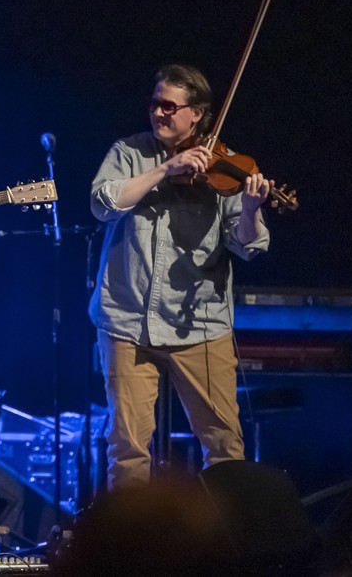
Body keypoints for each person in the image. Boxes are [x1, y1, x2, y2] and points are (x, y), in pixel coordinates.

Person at [88, 64, 272, 490]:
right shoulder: (129, 152)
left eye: (170, 107)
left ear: (197, 114)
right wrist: (164, 170)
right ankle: (130, 533)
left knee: (224, 445)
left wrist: (250, 210)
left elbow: (247, 246)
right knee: (127, 449)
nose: (159, 113)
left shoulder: (225, 165)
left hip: (199, 325)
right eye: (155, 104)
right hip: (128, 321)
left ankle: (229, 530)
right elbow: (102, 203)